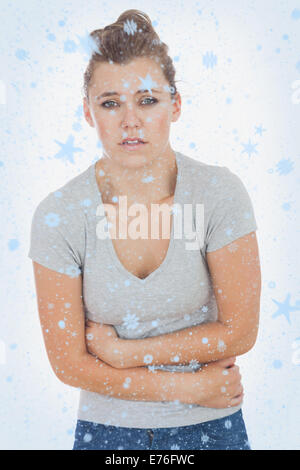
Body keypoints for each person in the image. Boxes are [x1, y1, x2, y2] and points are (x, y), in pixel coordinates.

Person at [28, 9, 261, 450]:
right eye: (110, 102)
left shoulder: (218, 194)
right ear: (87, 111)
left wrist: (124, 353)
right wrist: (183, 387)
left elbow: (240, 331)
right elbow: (67, 362)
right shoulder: (59, 214)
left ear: (175, 104)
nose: (129, 121)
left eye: (148, 100)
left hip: (214, 430)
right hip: (107, 436)